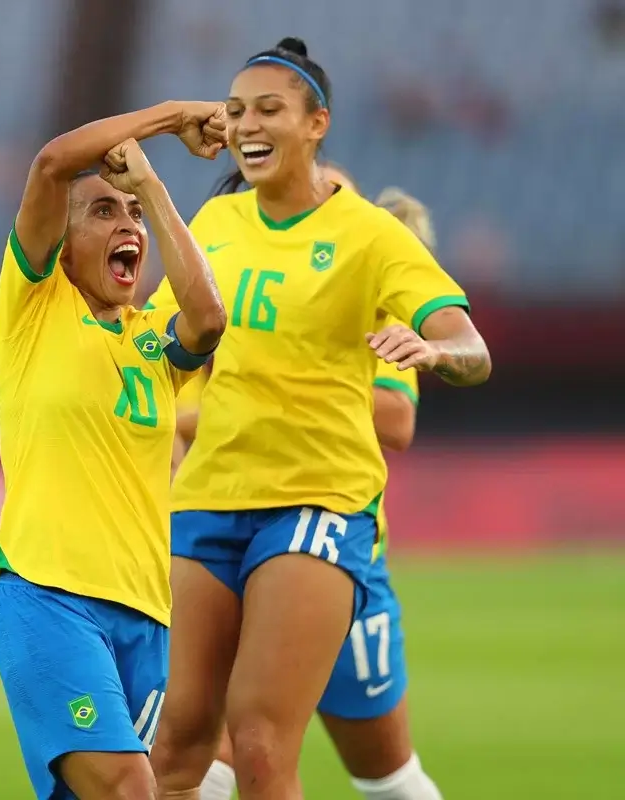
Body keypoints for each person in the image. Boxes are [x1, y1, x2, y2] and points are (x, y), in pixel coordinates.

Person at [145, 38, 491, 800]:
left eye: (269, 109)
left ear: (316, 124)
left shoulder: (371, 235)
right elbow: (159, 341)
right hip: (208, 499)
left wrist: (435, 355)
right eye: (236, 111)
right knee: (176, 746)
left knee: (264, 743)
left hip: (316, 503)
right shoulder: (217, 222)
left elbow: (470, 345)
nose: (247, 125)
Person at [0, 102, 230, 800]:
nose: (127, 227)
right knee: (129, 788)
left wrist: (152, 188)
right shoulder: (34, 305)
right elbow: (54, 161)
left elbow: (208, 319)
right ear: (61, 240)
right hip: (48, 595)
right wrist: (176, 116)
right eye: (102, 213)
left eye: (134, 218)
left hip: (144, 613)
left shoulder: (154, 341)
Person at [188, 166, 446, 800]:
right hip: (231, 537)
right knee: (212, 752)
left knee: (385, 774)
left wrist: (291, 388)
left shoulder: (365, 319)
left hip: (334, 556)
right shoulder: (222, 332)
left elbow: (399, 417)